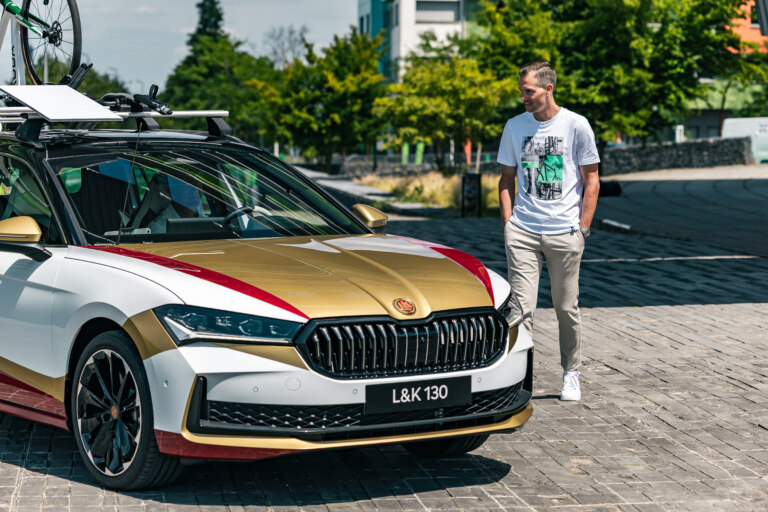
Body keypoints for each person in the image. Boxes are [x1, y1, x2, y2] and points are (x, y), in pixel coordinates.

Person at [497, 61, 600, 401]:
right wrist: (509, 224)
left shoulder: (576, 125)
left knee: (565, 308)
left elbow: (591, 179)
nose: (523, 97)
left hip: (565, 232)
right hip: (523, 232)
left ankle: (571, 373)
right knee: (521, 309)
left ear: (548, 89)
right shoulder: (515, 126)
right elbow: (506, 180)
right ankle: (520, 380)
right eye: (521, 91)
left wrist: (582, 228)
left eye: (529, 91)